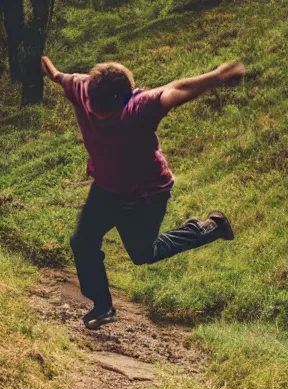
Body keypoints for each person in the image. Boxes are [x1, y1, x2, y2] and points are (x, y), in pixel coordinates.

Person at [41, 55, 245, 329]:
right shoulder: (82, 89)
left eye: (108, 115)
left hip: (147, 195)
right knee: (82, 242)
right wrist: (45, 64)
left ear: (123, 101)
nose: (101, 119)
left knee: (143, 254)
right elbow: (57, 75)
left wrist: (216, 77)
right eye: (96, 112)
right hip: (106, 189)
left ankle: (211, 228)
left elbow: (176, 89)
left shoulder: (138, 107)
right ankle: (102, 306)